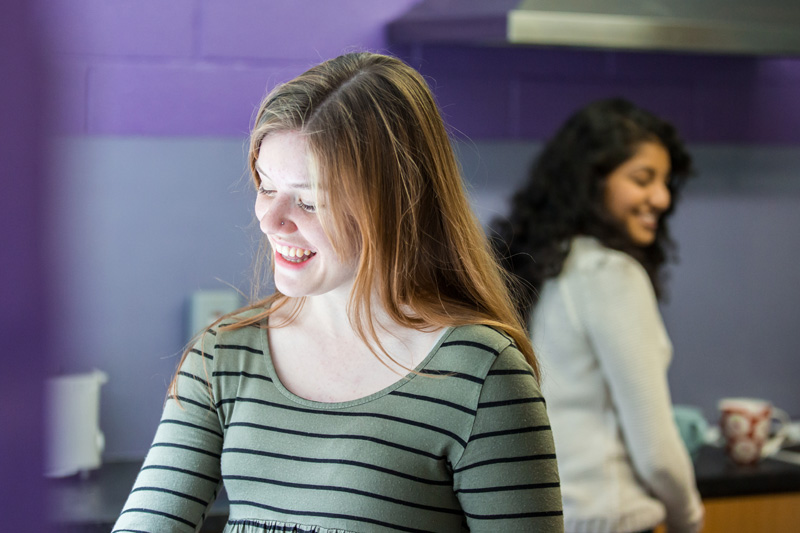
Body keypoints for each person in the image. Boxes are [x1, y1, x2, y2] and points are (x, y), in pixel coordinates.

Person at [112, 52, 563, 533]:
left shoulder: (483, 377)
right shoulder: (223, 355)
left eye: (309, 200)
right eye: (266, 187)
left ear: (394, 204)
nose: (271, 219)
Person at [492, 98, 704, 533]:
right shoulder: (611, 273)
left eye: (666, 182)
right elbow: (658, 452)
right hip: (610, 521)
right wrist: (691, 520)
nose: (662, 198)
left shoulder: (544, 266)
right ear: (591, 181)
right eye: (643, 179)